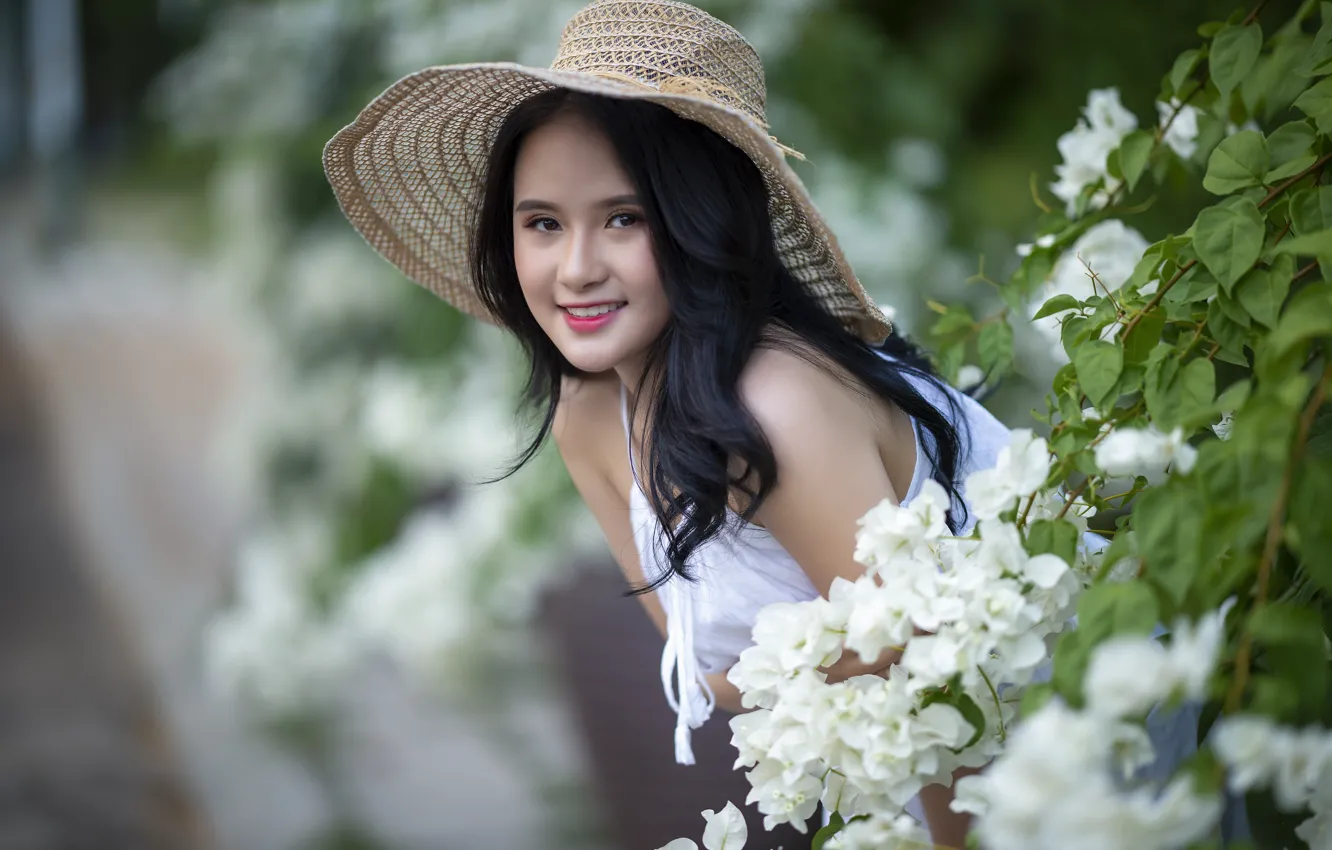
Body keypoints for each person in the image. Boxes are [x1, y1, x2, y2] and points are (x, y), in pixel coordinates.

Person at [323, 1, 1018, 843]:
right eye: (542, 223)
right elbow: (708, 670)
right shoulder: (589, 418)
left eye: (624, 218)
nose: (576, 269)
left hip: (1035, 764)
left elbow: (935, 678)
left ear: (699, 223)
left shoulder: (777, 405)